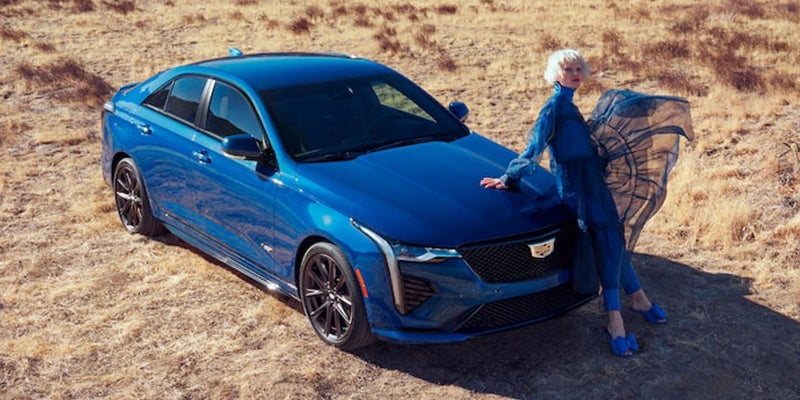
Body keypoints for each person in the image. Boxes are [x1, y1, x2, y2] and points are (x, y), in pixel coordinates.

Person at [481, 49, 673, 358]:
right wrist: (508, 178)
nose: (574, 73)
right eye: (568, 69)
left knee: (613, 239)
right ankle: (616, 317)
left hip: (592, 183)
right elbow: (534, 148)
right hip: (576, 187)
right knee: (608, 241)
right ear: (555, 74)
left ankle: (637, 298)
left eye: (578, 69)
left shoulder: (569, 105)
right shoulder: (554, 108)